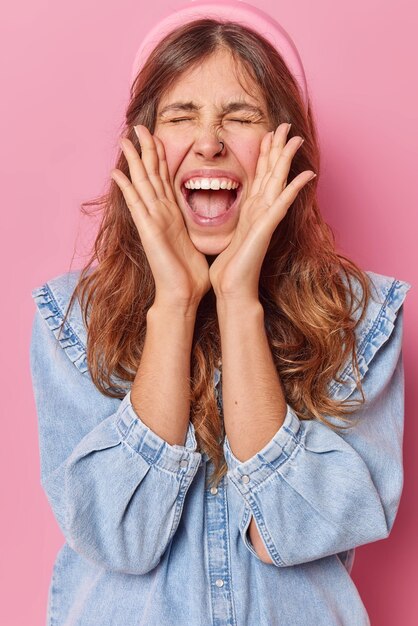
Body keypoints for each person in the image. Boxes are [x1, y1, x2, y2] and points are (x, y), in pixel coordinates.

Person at [29, 1, 412, 624]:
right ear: (141, 147)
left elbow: (289, 530)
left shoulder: (363, 319)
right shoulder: (71, 320)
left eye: (241, 116)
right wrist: (175, 303)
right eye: (181, 116)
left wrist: (239, 300)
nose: (208, 143)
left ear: (286, 144)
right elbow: (123, 538)